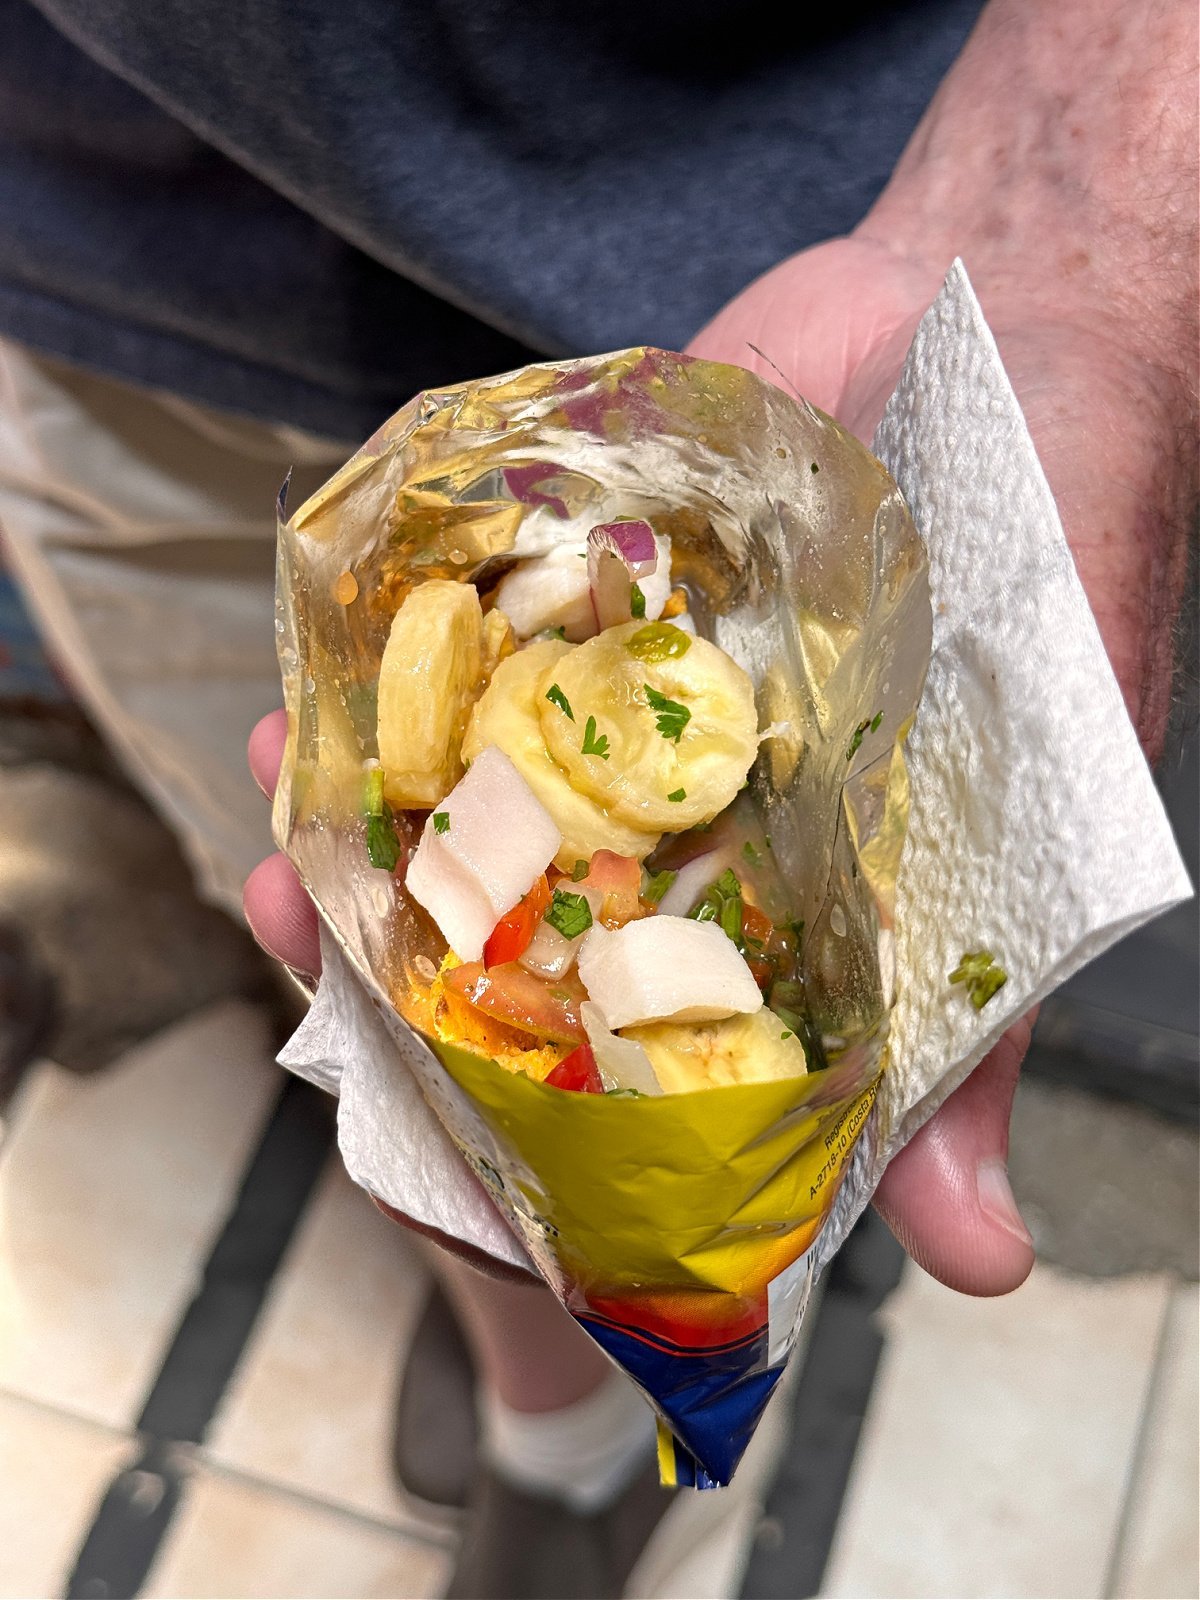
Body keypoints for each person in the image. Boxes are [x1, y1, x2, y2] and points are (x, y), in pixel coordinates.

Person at [0, 0, 1194, 1593]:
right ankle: (549, 1396)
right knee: (314, 936)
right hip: (101, 266)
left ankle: (593, 1416)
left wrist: (1079, 185)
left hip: (782, 294)